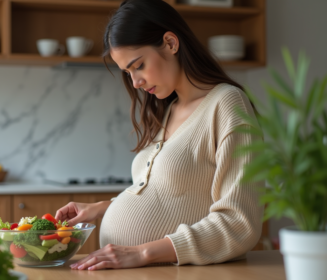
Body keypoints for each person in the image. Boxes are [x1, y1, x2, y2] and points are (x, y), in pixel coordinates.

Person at [55, 0, 264, 271]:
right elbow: (174, 196)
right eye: (128, 73)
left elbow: (240, 223)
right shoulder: (169, 109)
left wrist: (142, 253)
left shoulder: (226, 104)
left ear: (170, 43)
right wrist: (103, 207)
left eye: (138, 65)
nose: (135, 83)